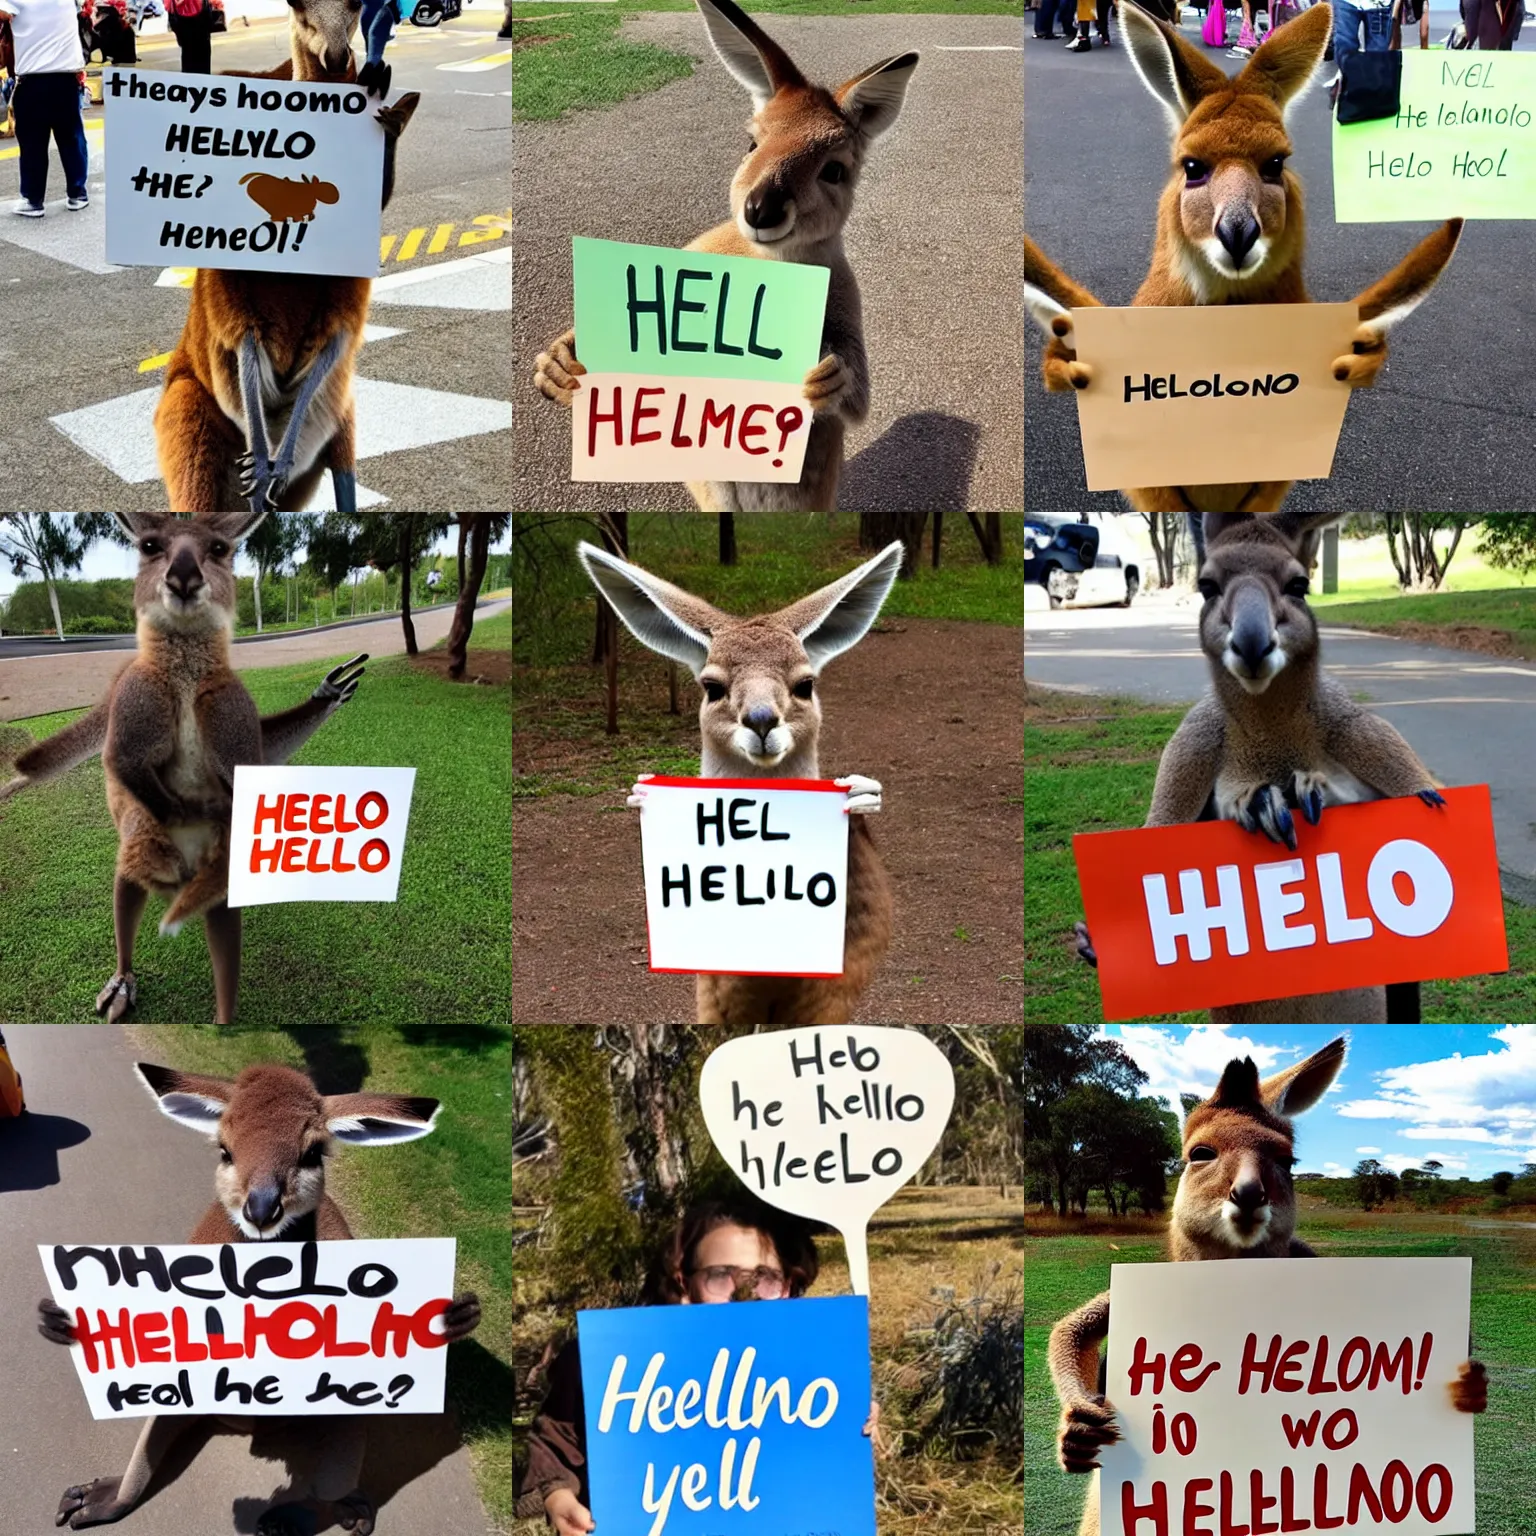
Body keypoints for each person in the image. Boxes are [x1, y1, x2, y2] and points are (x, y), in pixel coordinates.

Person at [524, 1195, 880, 1536]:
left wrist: (851, 1428)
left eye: (764, 1278)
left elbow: (819, 1483)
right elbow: (555, 1440)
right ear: (685, 1282)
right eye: (720, 1275)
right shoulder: (615, 1359)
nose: (744, 1293)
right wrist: (558, 1497)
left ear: (786, 1285)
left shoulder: (813, 1367)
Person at [0, 0, 88, 217]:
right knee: (72, 138)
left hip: (32, 80)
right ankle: (77, 194)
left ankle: (32, 199)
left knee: (32, 143)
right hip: (67, 77)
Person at [1332, 0, 1395, 78]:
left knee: (1378, 52)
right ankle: (1350, 81)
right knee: (1344, 46)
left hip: (1378, 5)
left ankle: (1371, 83)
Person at [165, 0, 213, 73]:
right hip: (201, 13)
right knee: (203, 51)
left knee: (187, 51)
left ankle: (188, 78)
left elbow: (168, 5)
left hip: (180, 15)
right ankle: (203, 78)